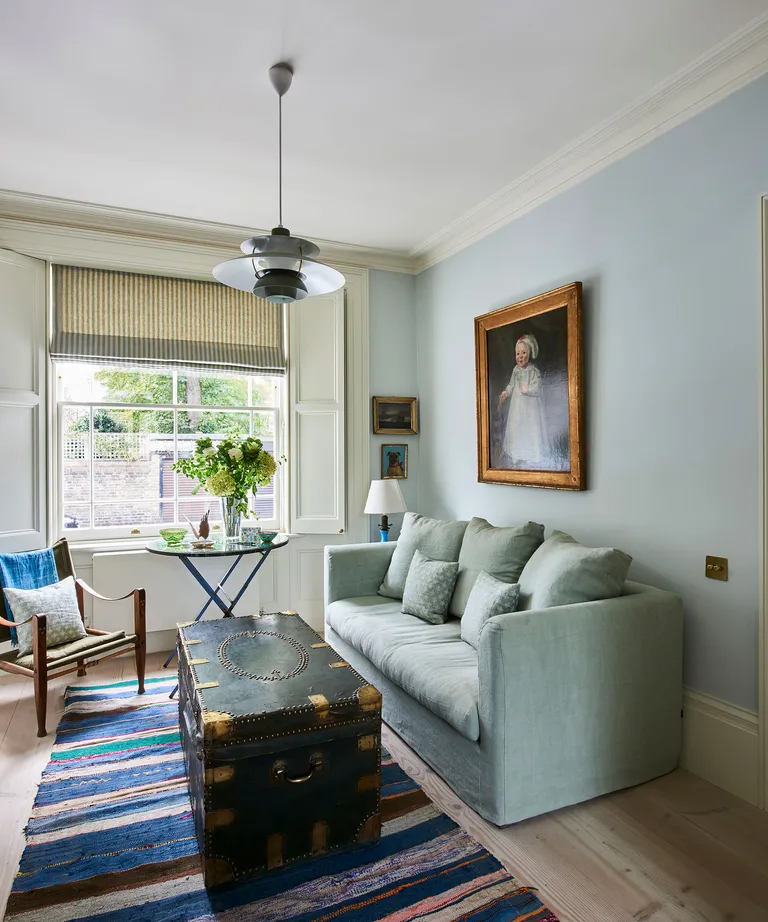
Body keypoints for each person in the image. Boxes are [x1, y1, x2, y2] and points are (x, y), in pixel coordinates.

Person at [497, 333, 549, 467]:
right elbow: (511, 384)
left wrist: (528, 389)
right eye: (517, 353)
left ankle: (533, 455)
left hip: (530, 409)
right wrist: (506, 392)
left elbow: (538, 387)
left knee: (530, 430)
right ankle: (517, 454)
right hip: (517, 408)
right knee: (517, 430)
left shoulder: (533, 371)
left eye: (523, 353)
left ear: (529, 353)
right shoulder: (515, 370)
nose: (520, 357)